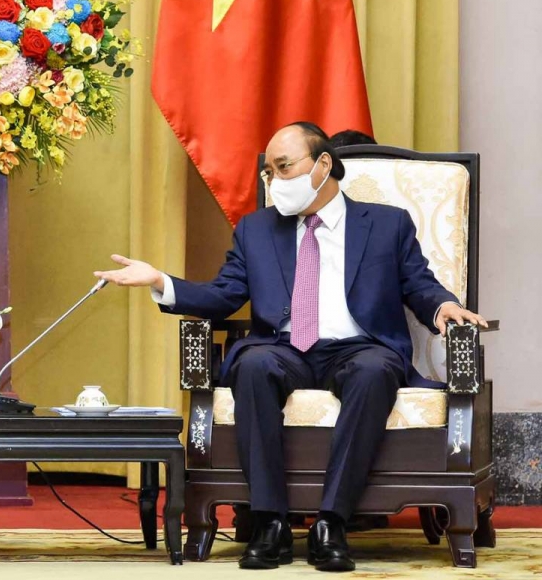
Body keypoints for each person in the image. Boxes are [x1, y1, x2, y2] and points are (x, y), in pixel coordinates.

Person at [95, 122, 486, 572]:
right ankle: (270, 522)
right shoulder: (256, 230)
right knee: (252, 364)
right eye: (269, 172)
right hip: (284, 348)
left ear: (322, 165)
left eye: (283, 167)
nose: (274, 180)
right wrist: (161, 281)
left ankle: (332, 523)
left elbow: (418, 284)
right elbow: (224, 295)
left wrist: (442, 307)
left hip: (358, 348)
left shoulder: (386, 224)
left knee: (374, 371)